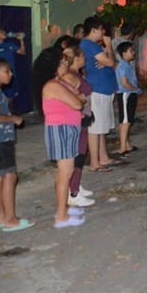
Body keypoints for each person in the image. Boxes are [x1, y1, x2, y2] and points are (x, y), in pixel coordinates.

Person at [42, 52, 87, 228]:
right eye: (61, 63)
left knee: (65, 172)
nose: (65, 66)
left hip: (68, 129)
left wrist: (77, 98)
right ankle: (61, 216)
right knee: (65, 172)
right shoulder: (52, 85)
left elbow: (79, 95)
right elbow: (77, 103)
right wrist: (77, 99)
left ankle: (63, 208)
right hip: (60, 129)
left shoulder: (60, 82)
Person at [0, 58, 34, 232]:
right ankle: (10, 218)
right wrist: (14, 118)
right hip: (0, 140)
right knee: (10, 176)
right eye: (6, 71)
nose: (10, 74)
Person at [80, 17, 119, 172]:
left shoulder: (93, 46)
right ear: (94, 29)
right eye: (101, 29)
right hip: (97, 90)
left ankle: (103, 157)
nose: (103, 33)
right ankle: (94, 163)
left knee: (102, 127)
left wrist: (108, 59)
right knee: (95, 128)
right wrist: (109, 46)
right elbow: (111, 63)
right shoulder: (89, 45)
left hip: (105, 89)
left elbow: (111, 64)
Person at [60, 45, 95, 207]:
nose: (85, 59)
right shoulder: (70, 76)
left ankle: (75, 186)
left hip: (82, 118)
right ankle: (72, 192)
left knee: (80, 153)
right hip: (77, 120)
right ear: (77, 58)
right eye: (83, 56)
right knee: (78, 156)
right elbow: (71, 97)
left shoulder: (76, 74)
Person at [115, 42, 142, 156]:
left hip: (128, 94)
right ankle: (122, 148)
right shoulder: (122, 66)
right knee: (125, 121)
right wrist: (136, 89)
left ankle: (126, 145)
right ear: (124, 53)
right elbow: (124, 83)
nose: (133, 52)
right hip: (126, 94)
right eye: (131, 51)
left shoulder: (126, 65)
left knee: (126, 120)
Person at [0, 27, 26, 102]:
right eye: (1, 31)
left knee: (10, 98)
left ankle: (8, 112)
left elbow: (22, 52)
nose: (4, 33)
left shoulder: (9, 45)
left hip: (11, 76)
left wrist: (21, 40)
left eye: (4, 31)